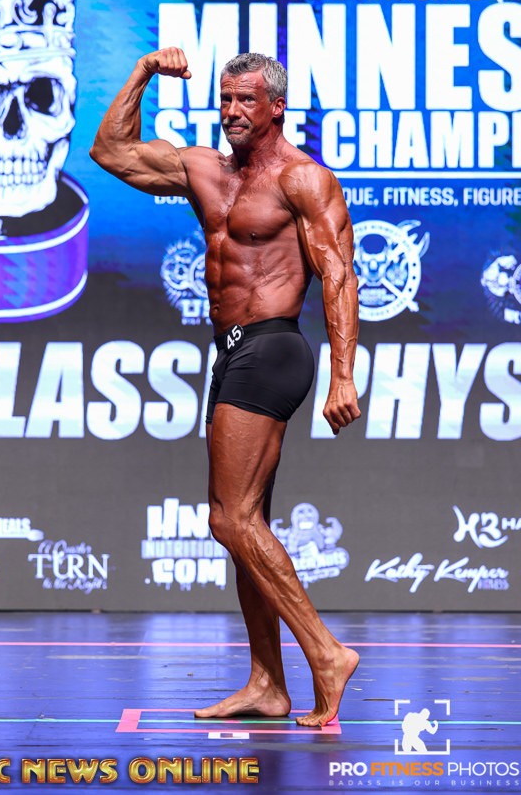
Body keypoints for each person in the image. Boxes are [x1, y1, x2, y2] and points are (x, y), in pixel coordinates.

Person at [90, 47, 361, 727]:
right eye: (225, 98)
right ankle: (268, 683)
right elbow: (110, 151)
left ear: (276, 107)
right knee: (244, 525)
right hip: (231, 351)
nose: (232, 111)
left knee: (229, 519)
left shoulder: (304, 180)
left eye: (246, 100)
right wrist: (143, 72)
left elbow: (338, 275)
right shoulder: (205, 171)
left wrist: (343, 374)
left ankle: (327, 653)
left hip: (273, 349)